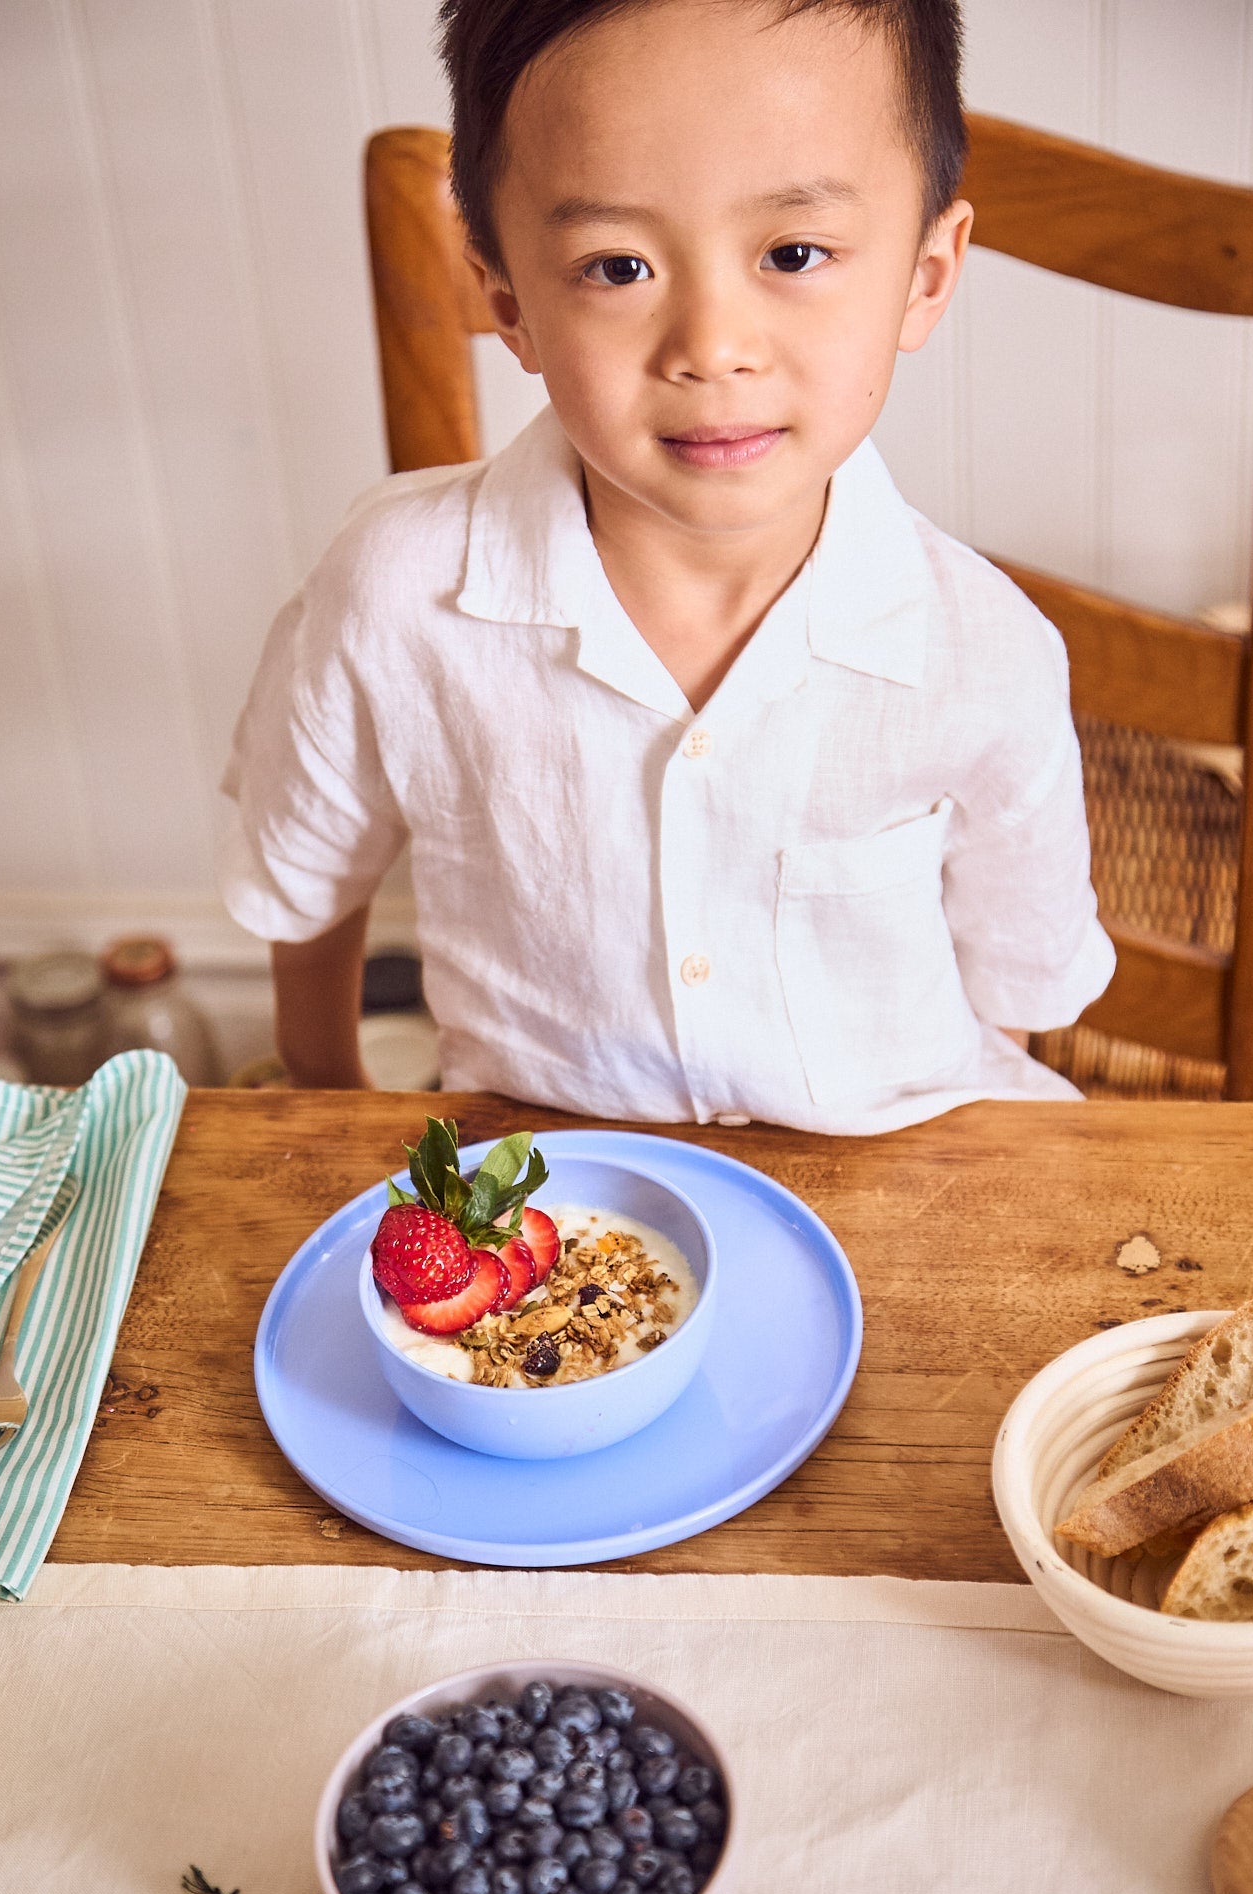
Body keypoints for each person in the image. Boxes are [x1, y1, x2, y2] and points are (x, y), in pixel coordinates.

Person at [221, 0, 1114, 1134]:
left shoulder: (986, 650)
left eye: (794, 253)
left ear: (927, 275)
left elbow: (1019, 998)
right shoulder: (395, 591)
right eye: (617, 265)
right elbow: (304, 872)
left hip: (894, 1166)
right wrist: (328, 1107)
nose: (710, 346)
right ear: (509, 300)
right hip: (542, 1193)